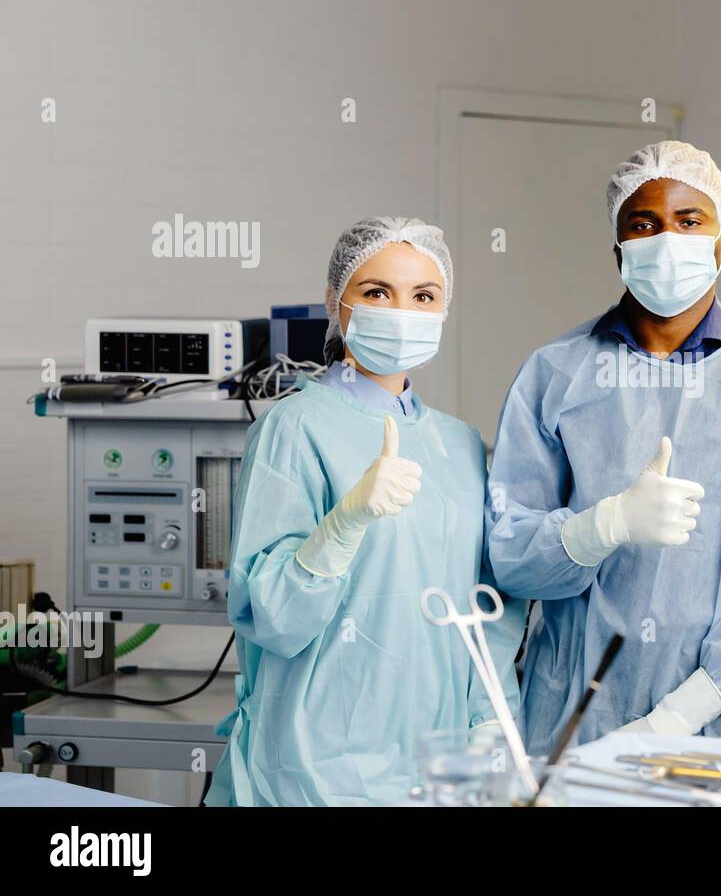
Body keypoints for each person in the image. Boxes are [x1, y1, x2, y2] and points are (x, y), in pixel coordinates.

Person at [486, 141, 721, 754]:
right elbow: (511, 557)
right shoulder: (556, 377)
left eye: (689, 221)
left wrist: (681, 714)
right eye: (644, 223)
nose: (667, 238)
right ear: (618, 248)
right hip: (575, 718)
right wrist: (601, 526)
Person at [205, 216, 524, 806]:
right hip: (315, 769)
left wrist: (489, 719)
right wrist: (342, 525)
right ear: (336, 301)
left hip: (438, 764)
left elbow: (488, 607)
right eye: (377, 292)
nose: (402, 311)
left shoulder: (458, 444)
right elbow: (272, 619)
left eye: (423, 296)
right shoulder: (292, 429)